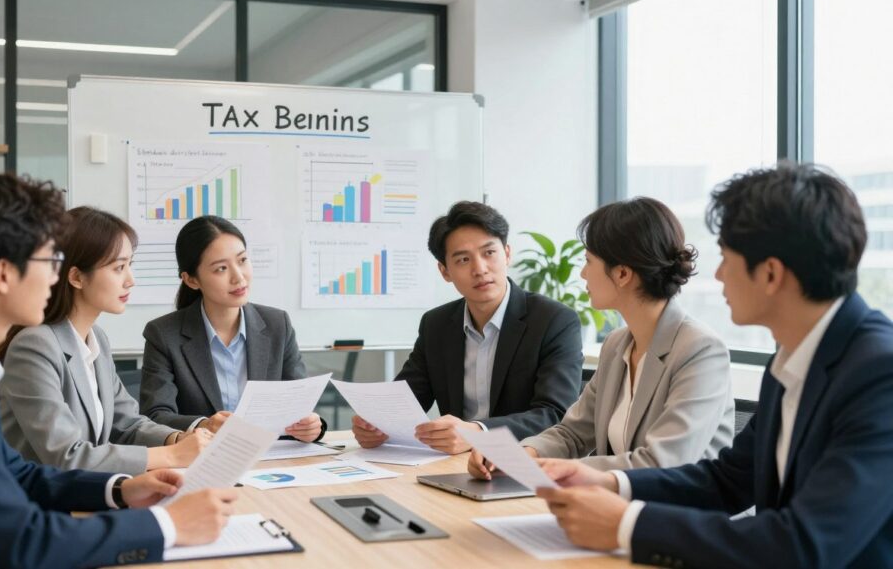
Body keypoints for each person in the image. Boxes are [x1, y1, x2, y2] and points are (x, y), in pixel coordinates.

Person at [0, 169, 238, 567]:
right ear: (4, 273)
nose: (56, 275)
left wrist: (119, 490)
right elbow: (21, 541)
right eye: (51, 259)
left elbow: (20, 475)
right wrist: (166, 525)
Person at [537, 163, 893, 569]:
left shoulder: (879, 374)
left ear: (771, 273)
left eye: (726, 259)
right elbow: (727, 481)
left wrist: (629, 525)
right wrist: (610, 481)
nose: (719, 275)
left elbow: (806, 543)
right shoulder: (791, 359)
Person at [468, 197, 733, 478]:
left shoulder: (700, 350)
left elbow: (663, 463)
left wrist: (548, 468)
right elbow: (572, 432)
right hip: (614, 507)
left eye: (588, 261)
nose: (583, 273)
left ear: (621, 273)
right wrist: (518, 455)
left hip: (681, 516)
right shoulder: (617, 344)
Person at [352, 201, 583, 454]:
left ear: (507, 254)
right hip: (453, 465)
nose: (480, 269)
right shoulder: (436, 324)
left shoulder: (553, 321)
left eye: (489, 253)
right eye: (463, 259)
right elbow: (406, 401)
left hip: (522, 461)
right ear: (445, 271)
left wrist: (477, 433)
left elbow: (554, 415)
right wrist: (377, 424)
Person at [0, 207, 211, 475]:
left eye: (129, 266)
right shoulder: (34, 346)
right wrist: (171, 455)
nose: (130, 280)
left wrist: (177, 439)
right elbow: (66, 456)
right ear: (76, 277)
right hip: (40, 506)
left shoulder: (95, 338)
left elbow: (127, 423)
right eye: (119, 267)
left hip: (84, 494)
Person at [141, 215, 325, 441]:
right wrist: (204, 424)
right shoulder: (163, 334)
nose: (239, 277)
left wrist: (312, 427)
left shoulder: (278, 325)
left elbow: (298, 405)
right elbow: (155, 415)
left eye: (242, 260)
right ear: (191, 280)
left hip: (271, 459)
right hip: (201, 460)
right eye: (220, 269)